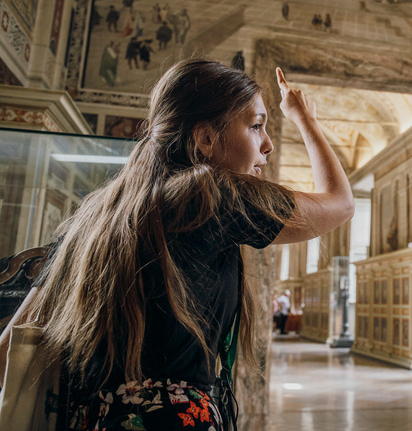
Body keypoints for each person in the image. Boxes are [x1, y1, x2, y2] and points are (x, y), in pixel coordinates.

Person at [0, 60, 354, 430]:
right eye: (256, 126)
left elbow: (8, 351)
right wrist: (304, 118)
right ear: (205, 139)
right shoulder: (212, 194)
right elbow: (339, 202)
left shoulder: (92, 217)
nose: (268, 144)